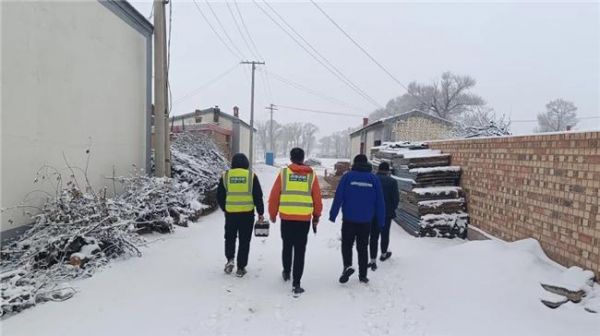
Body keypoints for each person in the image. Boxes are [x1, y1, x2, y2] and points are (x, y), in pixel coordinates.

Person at [269, 148, 322, 296]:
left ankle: (286, 272)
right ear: (303, 158)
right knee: (300, 250)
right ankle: (296, 283)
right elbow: (317, 198)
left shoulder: (284, 173)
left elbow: (274, 196)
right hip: (303, 220)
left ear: (291, 158)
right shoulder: (311, 176)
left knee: (287, 245)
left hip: (286, 218)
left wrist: (273, 214)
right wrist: (316, 216)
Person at [329, 154, 385, 284]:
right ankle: (363, 275)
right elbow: (380, 202)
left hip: (349, 219)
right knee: (363, 247)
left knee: (347, 244)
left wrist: (333, 214)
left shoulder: (347, 177)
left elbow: (339, 196)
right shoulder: (373, 179)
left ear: (355, 163)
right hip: (366, 221)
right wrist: (381, 220)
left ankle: (347, 265)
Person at [217, 153, 264, 277]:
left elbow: (220, 195)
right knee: (244, 240)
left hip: (231, 214)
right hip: (247, 214)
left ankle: (230, 260)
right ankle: (241, 267)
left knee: (230, 237)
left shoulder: (226, 176)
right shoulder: (251, 176)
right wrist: (260, 212)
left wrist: (225, 208)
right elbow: (258, 195)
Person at [368, 162, 400, 271]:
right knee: (385, 234)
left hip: (373, 213)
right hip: (387, 213)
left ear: (378, 169)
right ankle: (383, 254)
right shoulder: (392, 182)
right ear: (387, 171)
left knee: (373, 236)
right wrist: (392, 208)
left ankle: (372, 259)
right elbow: (396, 199)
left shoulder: (371, 179)